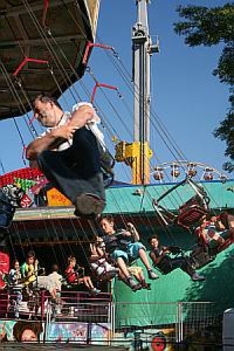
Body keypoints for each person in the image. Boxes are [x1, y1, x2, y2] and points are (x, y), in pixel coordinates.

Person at [26, 94, 106, 217]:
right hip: (72, 171)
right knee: (44, 156)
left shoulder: (74, 112)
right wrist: (56, 135)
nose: (36, 116)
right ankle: (85, 199)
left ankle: (96, 195)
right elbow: (31, 152)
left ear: (51, 104)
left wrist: (66, 129)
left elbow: (86, 112)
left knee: (82, 134)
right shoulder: (46, 135)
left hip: (93, 160)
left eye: (37, 110)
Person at [99, 215, 158, 291]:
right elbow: (103, 252)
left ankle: (150, 270)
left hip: (128, 252)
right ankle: (129, 279)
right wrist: (100, 245)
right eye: (101, 226)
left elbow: (136, 238)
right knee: (117, 253)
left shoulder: (120, 231)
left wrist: (132, 229)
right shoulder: (104, 238)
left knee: (138, 245)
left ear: (111, 224)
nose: (103, 228)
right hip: (118, 257)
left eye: (104, 225)